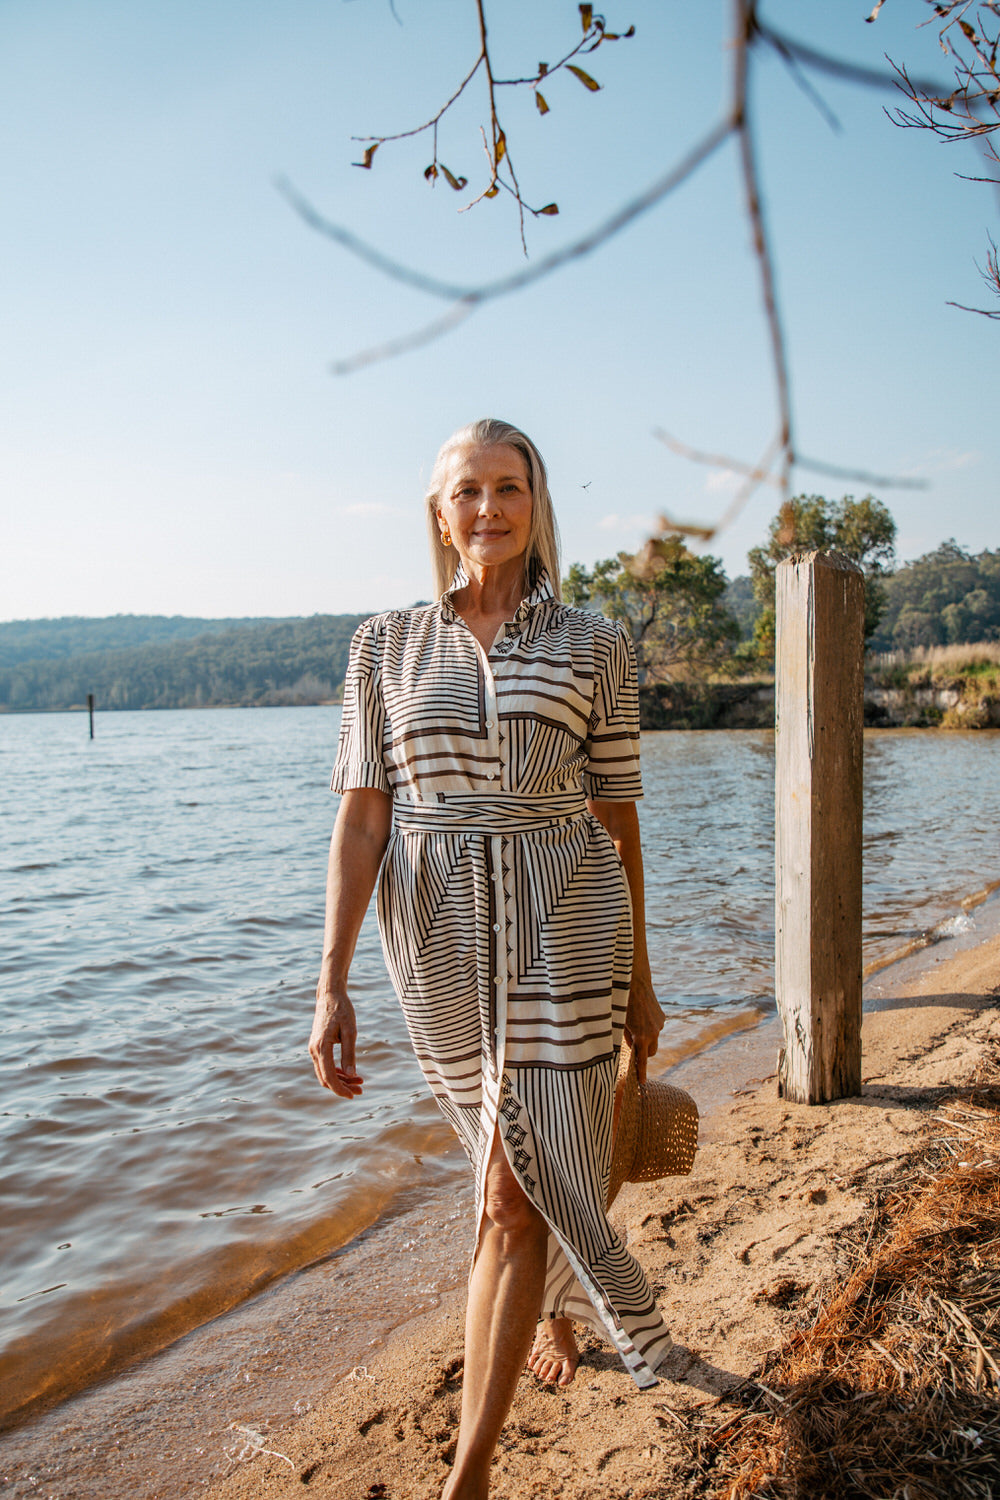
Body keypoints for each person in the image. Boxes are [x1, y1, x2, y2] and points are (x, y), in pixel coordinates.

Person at [310, 418, 668, 1500]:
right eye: (467, 490)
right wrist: (330, 984)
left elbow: (618, 819)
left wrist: (643, 978)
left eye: (509, 487)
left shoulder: (596, 644)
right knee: (498, 1152)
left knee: (515, 1185)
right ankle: (549, 1304)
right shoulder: (383, 645)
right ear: (438, 514)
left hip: (568, 914)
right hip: (436, 932)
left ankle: (467, 1475)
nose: (488, 508)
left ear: (536, 504)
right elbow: (362, 818)